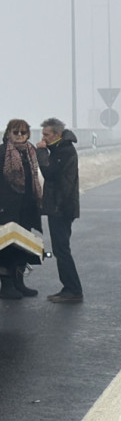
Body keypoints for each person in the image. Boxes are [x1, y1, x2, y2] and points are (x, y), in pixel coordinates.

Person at [37, 117, 82, 304]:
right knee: (60, 249)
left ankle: (73, 289)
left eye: (46, 134)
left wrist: (41, 151)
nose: (43, 137)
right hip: (59, 206)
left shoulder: (64, 150)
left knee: (62, 250)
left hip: (61, 207)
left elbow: (49, 172)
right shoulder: (60, 149)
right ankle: (68, 287)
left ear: (57, 134)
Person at [0, 119, 43, 299]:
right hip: (6, 206)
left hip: (27, 206)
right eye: (15, 132)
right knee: (7, 246)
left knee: (23, 245)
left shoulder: (30, 151)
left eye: (23, 132)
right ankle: (7, 284)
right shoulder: (2, 152)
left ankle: (19, 282)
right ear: (8, 133)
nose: (19, 136)